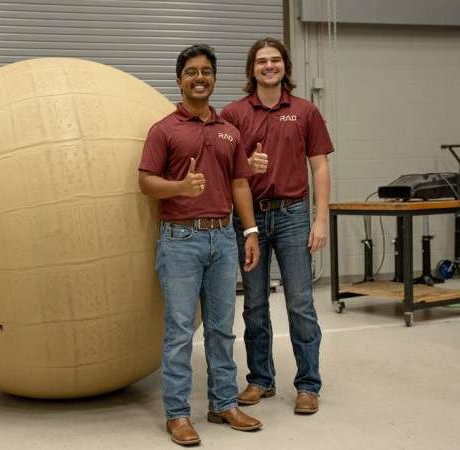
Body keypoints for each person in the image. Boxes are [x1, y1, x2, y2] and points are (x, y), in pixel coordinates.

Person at [138, 44, 263, 446]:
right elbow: (145, 182)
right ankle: (177, 415)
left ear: (214, 78)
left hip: (223, 239)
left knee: (222, 330)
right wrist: (180, 187)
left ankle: (223, 404)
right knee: (179, 331)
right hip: (180, 240)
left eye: (206, 71)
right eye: (191, 72)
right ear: (179, 80)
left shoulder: (229, 131)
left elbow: (240, 183)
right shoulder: (164, 130)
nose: (199, 78)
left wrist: (250, 231)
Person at [220, 37, 333, 415]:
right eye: (261, 61)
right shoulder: (233, 114)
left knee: (300, 303)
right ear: (251, 70)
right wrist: (246, 166)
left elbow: (319, 166)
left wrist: (320, 219)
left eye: (275, 60)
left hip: (292, 216)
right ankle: (260, 380)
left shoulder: (305, 111)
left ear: (285, 66)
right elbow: (223, 169)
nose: (269, 66)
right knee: (254, 304)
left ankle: (308, 385)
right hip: (249, 218)